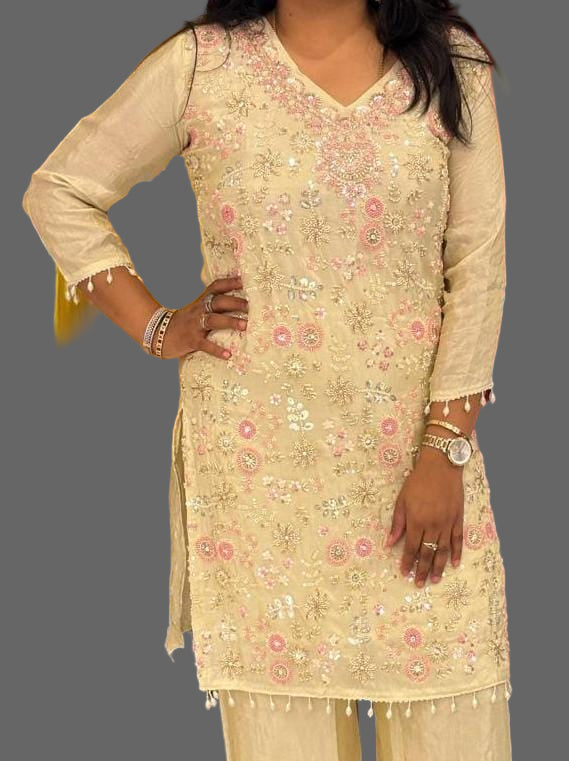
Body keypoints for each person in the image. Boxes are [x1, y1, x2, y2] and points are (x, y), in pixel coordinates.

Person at [22, 1, 513, 759]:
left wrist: (445, 446)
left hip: (415, 467)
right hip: (261, 486)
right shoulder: (206, 64)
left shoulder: (449, 64)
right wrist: (157, 325)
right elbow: (60, 189)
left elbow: (477, 264)